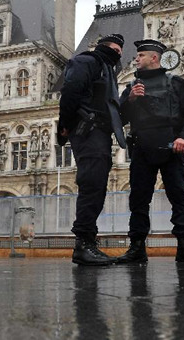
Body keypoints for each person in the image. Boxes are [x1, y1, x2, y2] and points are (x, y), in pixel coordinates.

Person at [117, 39, 184, 264]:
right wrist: (130, 100)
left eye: (140, 56)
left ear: (153, 58)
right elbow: (119, 118)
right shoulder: (131, 88)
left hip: (171, 149)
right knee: (138, 200)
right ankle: (137, 247)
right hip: (142, 150)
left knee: (179, 198)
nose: (136, 59)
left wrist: (183, 137)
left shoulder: (176, 84)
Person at [58, 33, 127, 266]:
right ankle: (83, 245)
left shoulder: (107, 70)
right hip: (87, 130)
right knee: (91, 185)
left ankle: (89, 241)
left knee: (97, 187)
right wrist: (65, 125)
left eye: (120, 52)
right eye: (116, 50)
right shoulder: (87, 61)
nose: (118, 54)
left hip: (100, 133)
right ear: (104, 48)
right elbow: (69, 92)